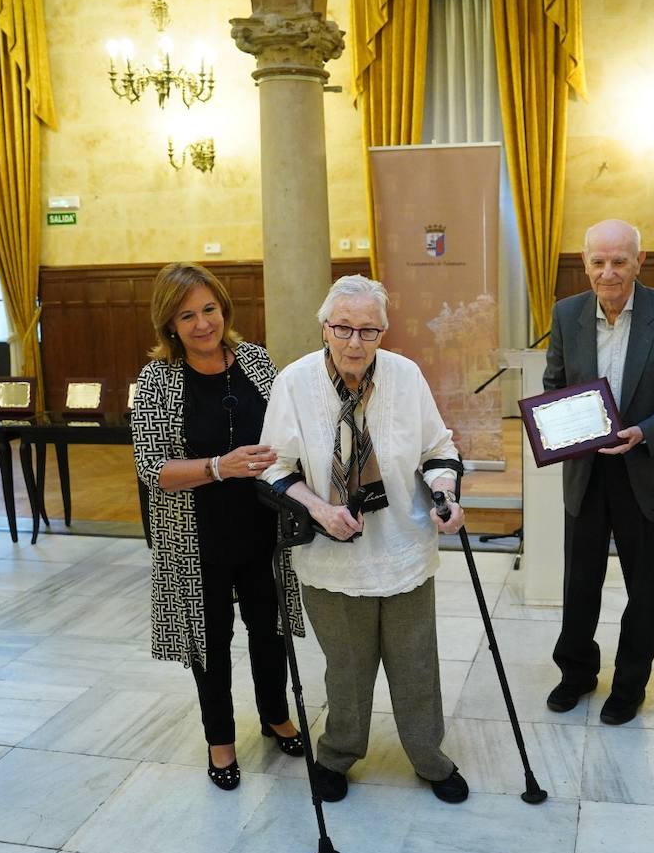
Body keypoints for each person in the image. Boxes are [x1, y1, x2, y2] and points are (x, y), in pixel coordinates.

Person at [259, 274, 470, 804]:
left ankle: (429, 756)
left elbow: (438, 449)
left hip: (404, 547)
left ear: (384, 330)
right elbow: (274, 467)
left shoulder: (405, 375)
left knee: (415, 662)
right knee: (347, 668)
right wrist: (320, 510)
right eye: (343, 329)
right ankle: (337, 754)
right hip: (332, 557)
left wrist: (445, 493)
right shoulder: (294, 381)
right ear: (325, 327)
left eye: (369, 331)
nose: (355, 343)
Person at [131, 262, 303, 792]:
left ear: (224, 308)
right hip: (196, 537)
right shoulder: (157, 381)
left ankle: (276, 716)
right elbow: (152, 468)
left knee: (269, 632)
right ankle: (221, 740)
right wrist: (217, 467)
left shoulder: (255, 362)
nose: (202, 323)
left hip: (262, 529)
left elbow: (286, 435)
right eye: (187, 315)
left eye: (209, 309)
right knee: (210, 642)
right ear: (170, 325)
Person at [543, 219, 654, 725]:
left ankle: (630, 685)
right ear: (585, 263)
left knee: (644, 588)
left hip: (646, 468)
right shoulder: (567, 314)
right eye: (598, 261)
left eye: (619, 261)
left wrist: (646, 431)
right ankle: (576, 674)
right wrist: (556, 422)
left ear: (640, 261)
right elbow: (553, 385)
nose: (608, 272)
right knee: (579, 583)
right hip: (586, 473)